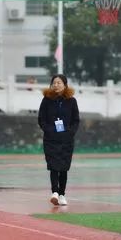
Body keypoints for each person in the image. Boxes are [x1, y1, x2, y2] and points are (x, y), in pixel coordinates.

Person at [38, 74, 81, 206]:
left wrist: (70, 133)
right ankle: (54, 192)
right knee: (53, 166)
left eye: (59, 83)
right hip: (51, 139)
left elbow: (76, 120)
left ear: (65, 85)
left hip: (66, 140)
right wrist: (49, 130)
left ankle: (62, 194)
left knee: (63, 168)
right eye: (54, 83)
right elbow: (41, 119)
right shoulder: (46, 100)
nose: (56, 85)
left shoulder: (71, 101)